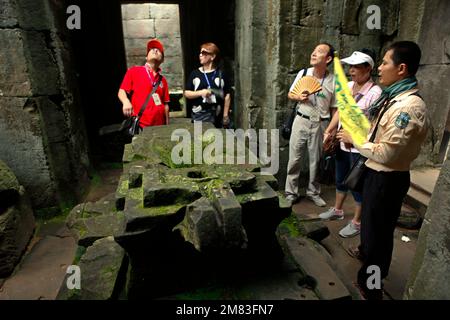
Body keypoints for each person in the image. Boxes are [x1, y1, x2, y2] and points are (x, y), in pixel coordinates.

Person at [337, 41, 428, 299]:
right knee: (372, 229)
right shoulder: (393, 97)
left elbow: (387, 153)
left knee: (378, 235)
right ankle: (369, 264)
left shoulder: (408, 107)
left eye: (385, 63)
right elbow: (378, 134)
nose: (380, 68)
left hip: (387, 178)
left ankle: (372, 287)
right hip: (376, 174)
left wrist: (356, 142)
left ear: (401, 68)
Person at [319, 49, 382, 238]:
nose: (351, 70)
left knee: (356, 184)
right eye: (350, 66)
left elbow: (374, 125)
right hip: (341, 143)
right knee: (340, 178)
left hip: (359, 147)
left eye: (356, 67)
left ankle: (357, 221)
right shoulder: (347, 85)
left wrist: (354, 138)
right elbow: (339, 111)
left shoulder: (375, 93)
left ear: (368, 69)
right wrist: (329, 130)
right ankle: (337, 210)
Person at [285, 43, 337, 207]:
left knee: (316, 161)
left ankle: (313, 192)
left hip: (321, 123)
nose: (313, 54)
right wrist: (298, 97)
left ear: (328, 59)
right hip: (301, 119)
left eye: (319, 52)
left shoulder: (333, 80)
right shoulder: (304, 73)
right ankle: (291, 193)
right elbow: (290, 93)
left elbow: (335, 108)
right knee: (294, 159)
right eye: (314, 51)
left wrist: (331, 130)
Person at [118, 38, 170, 128]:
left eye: (159, 50)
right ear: (146, 57)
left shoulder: (163, 80)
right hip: (141, 125)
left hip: (160, 126)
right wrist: (126, 101)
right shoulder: (134, 71)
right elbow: (121, 91)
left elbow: (165, 105)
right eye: (151, 49)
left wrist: (167, 126)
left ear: (162, 60)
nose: (155, 50)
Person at [184, 43, 232, 128]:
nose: (200, 55)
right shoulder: (195, 74)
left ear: (212, 57)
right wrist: (201, 92)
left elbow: (227, 95)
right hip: (199, 116)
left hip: (217, 116)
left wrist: (225, 115)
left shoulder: (221, 74)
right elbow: (187, 93)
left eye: (204, 53)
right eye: (200, 53)